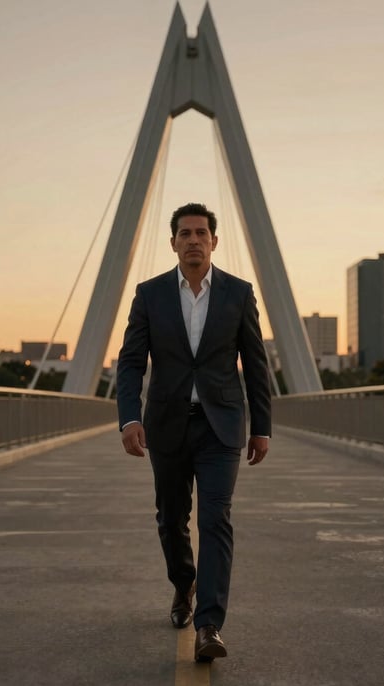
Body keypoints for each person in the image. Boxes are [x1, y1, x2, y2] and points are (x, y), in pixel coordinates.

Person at [117, 202, 271, 662]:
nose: (193, 240)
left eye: (201, 233)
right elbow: (129, 363)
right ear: (173, 243)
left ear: (214, 242)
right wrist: (129, 418)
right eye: (185, 233)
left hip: (220, 426)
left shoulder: (239, 293)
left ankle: (209, 625)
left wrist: (261, 427)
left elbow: (256, 364)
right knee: (171, 519)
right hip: (167, 425)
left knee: (215, 520)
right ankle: (183, 585)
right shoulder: (150, 294)